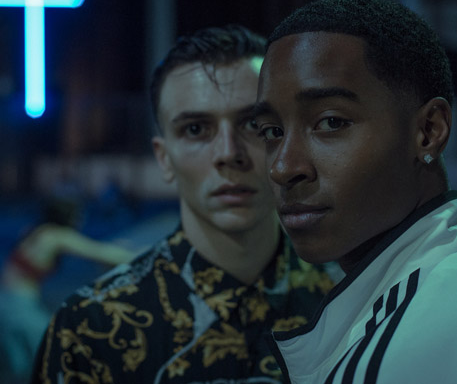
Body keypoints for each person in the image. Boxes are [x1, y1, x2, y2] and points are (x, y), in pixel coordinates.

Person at [254, 0, 457, 383]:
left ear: (428, 131)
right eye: (271, 131)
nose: (283, 167)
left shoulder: (440, 327)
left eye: (331, 122)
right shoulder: (456, 295)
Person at [30, 25, 335, 383]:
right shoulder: (89, 330)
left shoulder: (351, 302)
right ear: (164, 159)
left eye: (254, 124)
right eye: (195, 129)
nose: (228, 153)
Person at [0, 196, 135, 384]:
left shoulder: (33, 232)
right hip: (18, 312)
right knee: (49, 363)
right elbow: (101, 253)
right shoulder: (55, 235)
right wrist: (138, 254)